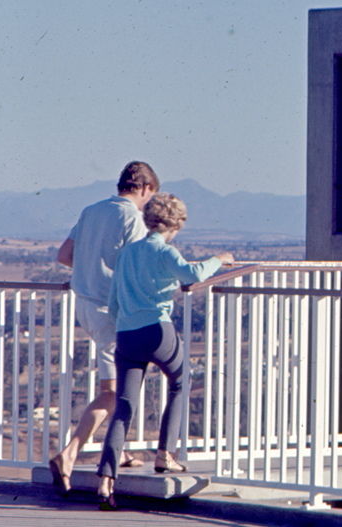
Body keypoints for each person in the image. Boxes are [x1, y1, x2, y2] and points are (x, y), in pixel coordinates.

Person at [95, 193, 233, 511]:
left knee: (123, 408)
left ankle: (106, 480)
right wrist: (220, 259)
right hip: (158, 330)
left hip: (127, 335)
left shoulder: (128, 253)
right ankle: (165, 454)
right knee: (181, 382)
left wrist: (130, 322)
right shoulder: (163, 250)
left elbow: (114, 303)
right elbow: (194, 274)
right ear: (176, 224)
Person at [49, 161, 159, 496]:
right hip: (113, 310)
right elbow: (140, 264)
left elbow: (64, 254)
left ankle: (118, 450)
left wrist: (91, 267)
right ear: (144, 188)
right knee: (114, 390)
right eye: (149, 197)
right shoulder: (133, 217)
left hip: (85, 304)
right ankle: (70, 454)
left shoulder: (91, 210)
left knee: (117, 383)